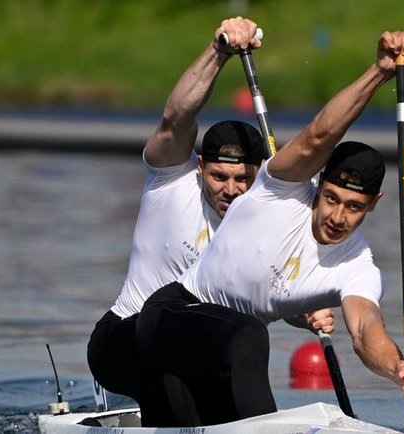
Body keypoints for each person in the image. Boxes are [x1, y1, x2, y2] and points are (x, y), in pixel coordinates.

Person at [135, 30, 404, 426]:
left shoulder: (357, 265)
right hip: (170, 316)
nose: (337, 217)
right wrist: (379, 72)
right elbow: (320, 136)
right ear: (318, 184)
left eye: (354, 207)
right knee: (251, 336)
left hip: (224, 353)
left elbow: (364, 330)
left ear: (373, 205)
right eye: (331, 199)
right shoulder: (281, 187)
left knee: (242, 349)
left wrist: (397, 369)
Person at [86, 17, 333, 427]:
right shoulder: (171, 182)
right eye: (219, 177)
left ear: (261, 175)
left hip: (198, 355)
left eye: (242, 179)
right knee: (230, 345)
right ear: (200, 168)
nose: (231, 190)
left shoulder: (274, 217)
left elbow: (273, 293)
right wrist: (218, 51)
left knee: (222, 371)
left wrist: (304, 311)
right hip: (124, 339)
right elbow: (175, 117)